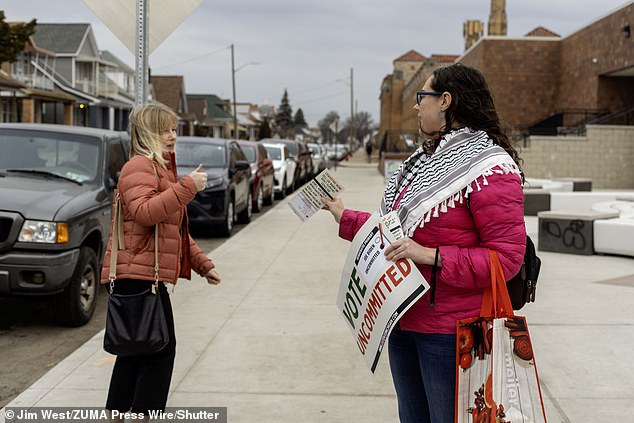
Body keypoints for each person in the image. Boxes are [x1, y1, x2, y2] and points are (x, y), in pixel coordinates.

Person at [321, 63, 526, 422]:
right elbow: (397, 233)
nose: (417, 107)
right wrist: (346, 217)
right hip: (402, 318)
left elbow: (506, 259)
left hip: (450, 333)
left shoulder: (490, 168)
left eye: (423, 98)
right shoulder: (423, 162)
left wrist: (431, 256)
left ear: (445, 101)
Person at [100, 103, 221, 422]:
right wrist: (187, 189)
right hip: (136, 276)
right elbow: (144, 212)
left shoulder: (158, 170)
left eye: (174, 129)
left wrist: (202, 264)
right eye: (165, 130)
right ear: (147, 133)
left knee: (136, 352)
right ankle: (140, 416)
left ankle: (118, 415)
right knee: (157, 352)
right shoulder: (138, 168)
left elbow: (172, 230)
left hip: (142, 277)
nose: (173, 136)